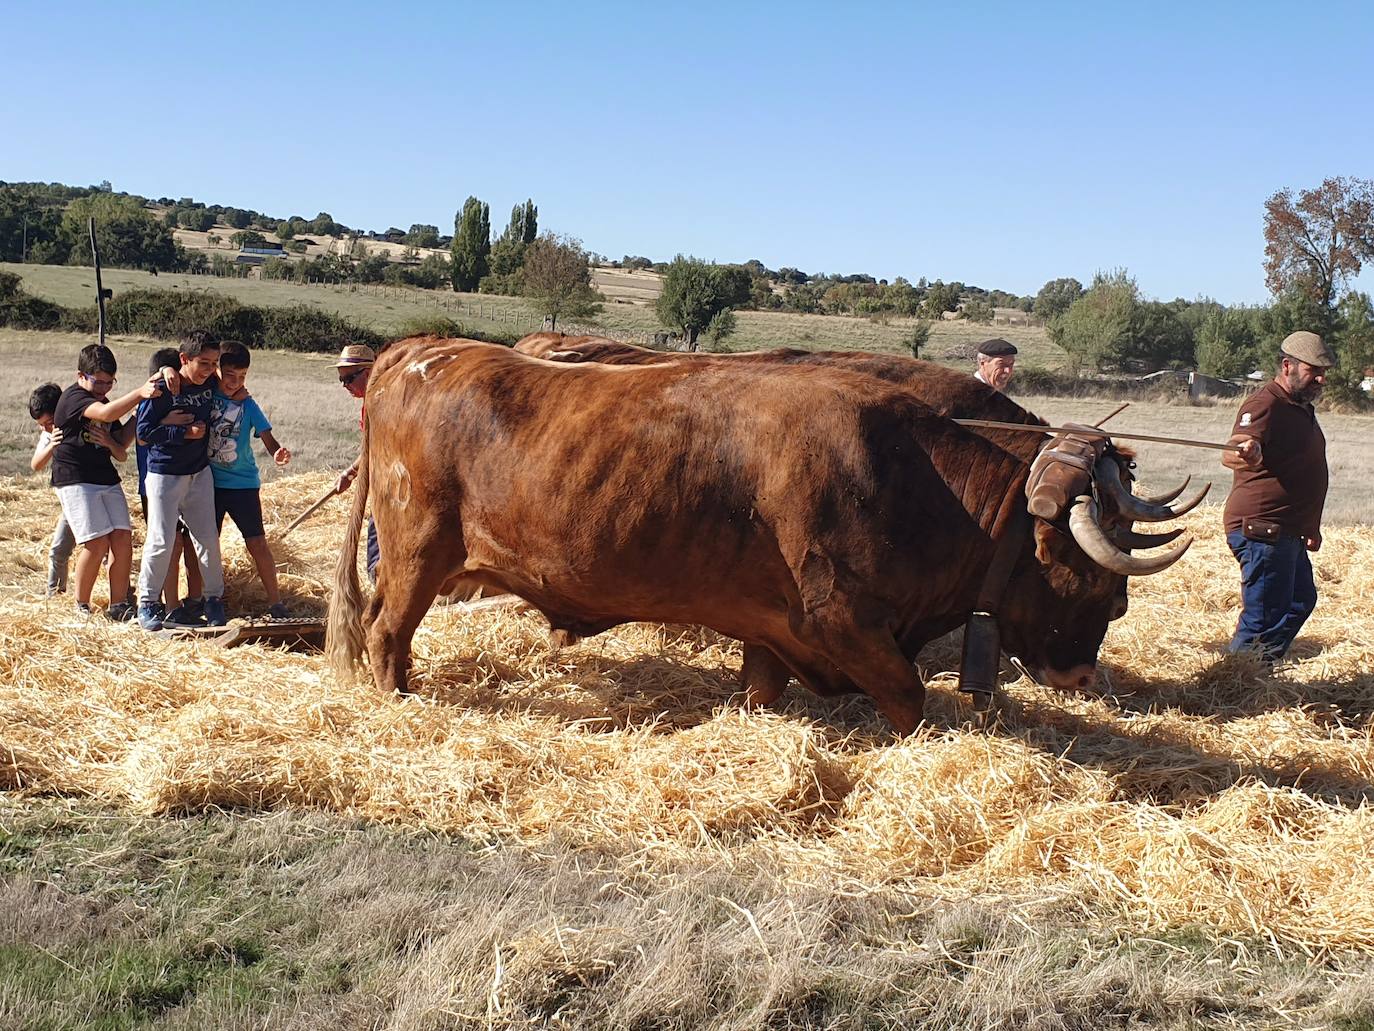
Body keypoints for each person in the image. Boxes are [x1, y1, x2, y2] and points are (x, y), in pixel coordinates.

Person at [1221, 330, 1334, 663]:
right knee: (1263, 616)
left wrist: (1309, 526)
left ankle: (1259, 668)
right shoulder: (1265, 403)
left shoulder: (1298, 406)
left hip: (1287, 530)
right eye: (1314, 370)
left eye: (1323, 371)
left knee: (1299, 601)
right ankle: (1235, 684)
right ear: (1288, 366)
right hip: (1262, 528)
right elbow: (1234, 448)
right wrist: (1246, 451)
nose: (1321, 378)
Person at [50, 344, 165, 619]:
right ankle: (82, 604)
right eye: (98, 381)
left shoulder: (102, 401)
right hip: (75, 477)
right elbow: (106, 415)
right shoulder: (74, 398)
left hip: (104, 477)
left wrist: (142, 412)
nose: (104, 388)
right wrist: (139, 393)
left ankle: (118, 605)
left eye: (109, 382)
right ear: (81, 376)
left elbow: (121, 441)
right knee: (96, 541)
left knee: (123, 537)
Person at [134, 332, 227, 632]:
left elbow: (232, 382)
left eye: (214, 363)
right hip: (164, 474)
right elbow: (143, 433)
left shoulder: (211, 382)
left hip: (199, 472)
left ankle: (213, 600)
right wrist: (182, 434)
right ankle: (147, 603)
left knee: (208, 539)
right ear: (184, 359)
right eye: (204, 363)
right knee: (161, 540)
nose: (209, 370)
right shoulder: (162, 388)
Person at [209, 341, 293, 617]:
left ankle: (275, 601)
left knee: (256, 542)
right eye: (230, 375)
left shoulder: (248, 404)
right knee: (209, 543)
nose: (236, 382)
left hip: (242, 484)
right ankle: (211, 598)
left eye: (242, 376)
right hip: (208, 483)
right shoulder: (205, 395)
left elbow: (268, 438)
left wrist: (277, 452)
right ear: (216, 370)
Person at [136, 347, 204, 625]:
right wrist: (170, 425)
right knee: (167, 543)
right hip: (156, 484)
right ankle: (167, 604)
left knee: (185, 541)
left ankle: (190, 601)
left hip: (182, 479)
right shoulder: (153, 401)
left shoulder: (179, 401)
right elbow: (142, 436)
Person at [332, 343, 380, 582]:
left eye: (349, 378)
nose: (345, 386)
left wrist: (350, 473)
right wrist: (350, 474)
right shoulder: (368, 402)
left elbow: (373, 448)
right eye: (341, 380)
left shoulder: (378, 403)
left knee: (378, 529)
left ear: (368, 373)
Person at [29, 383, 76, 596]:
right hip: (70, 503)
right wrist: (51, 444)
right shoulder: (50, 434)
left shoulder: (75, 423)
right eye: (40, 425)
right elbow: (35, 465)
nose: (45, 428)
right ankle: (54, 596)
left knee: (102, 550)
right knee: (58, 551)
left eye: (48, 423)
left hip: (83, 495)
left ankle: (121, 596)